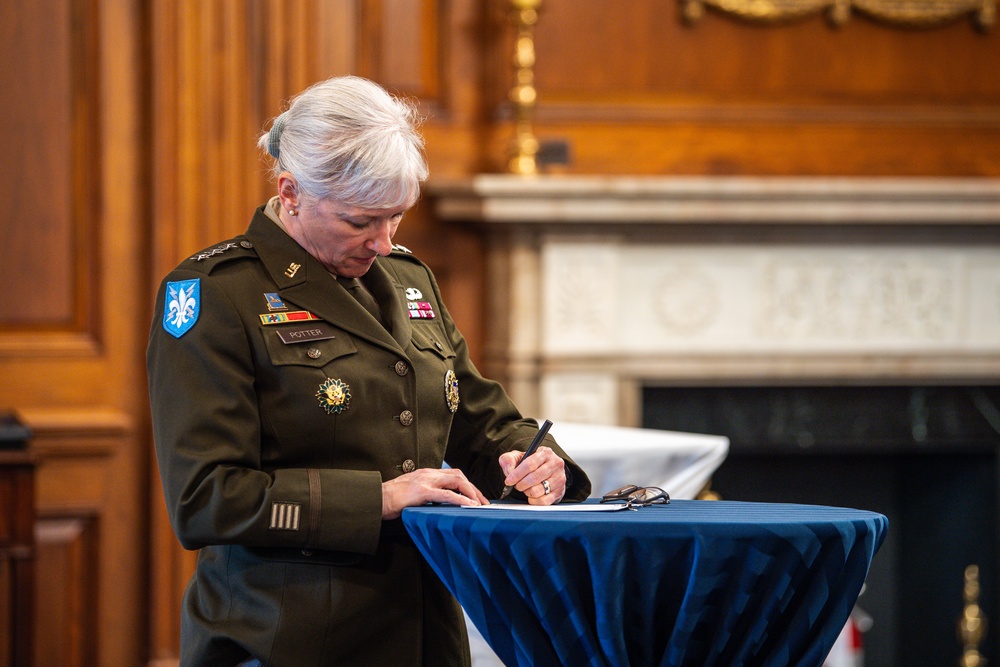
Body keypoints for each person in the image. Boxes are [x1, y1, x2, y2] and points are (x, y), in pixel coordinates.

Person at [147, 75, 591, 666]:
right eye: (360, 221)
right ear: (292, 192)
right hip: (287, 636)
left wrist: (530, 458)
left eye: (396, 218)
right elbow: (206, 499)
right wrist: (379, 499)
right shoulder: (215, 295)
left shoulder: (410, 280)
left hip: (423, 629)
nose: (382, 242)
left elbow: (480, 420)